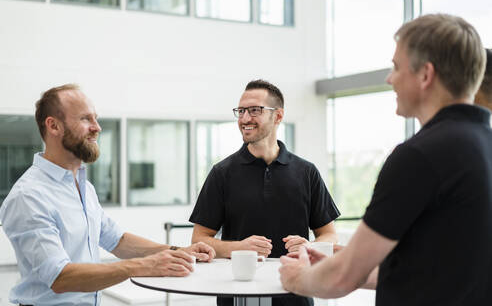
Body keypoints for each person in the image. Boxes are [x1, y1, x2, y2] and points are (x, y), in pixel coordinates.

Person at [279, 14, 492, 306]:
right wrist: (334, 262)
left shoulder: (420, 156)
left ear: (425, 75)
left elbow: (343, 277)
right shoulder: (481, 145)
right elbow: (438, 268)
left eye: (396, 67)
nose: (390, 78)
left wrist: (297, 278)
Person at [0, 84, 216, 306]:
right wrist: (146, 266)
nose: (97, 128)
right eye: (85, 119)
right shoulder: (29, 196)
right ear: (53, 126)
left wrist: (176, 251)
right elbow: (60, 277)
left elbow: (117, 240)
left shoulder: (84, 187)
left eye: (96, 118)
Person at [189, 79, 340, 306]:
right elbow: (199, 240)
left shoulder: (307, 172)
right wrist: (238, 248)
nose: (245, 119)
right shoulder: (222, 173)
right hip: (237, 297)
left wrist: (310, 247)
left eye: (254, 110)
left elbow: (329, 234)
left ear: (278, 116)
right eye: (241, 111)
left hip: (296, 294)